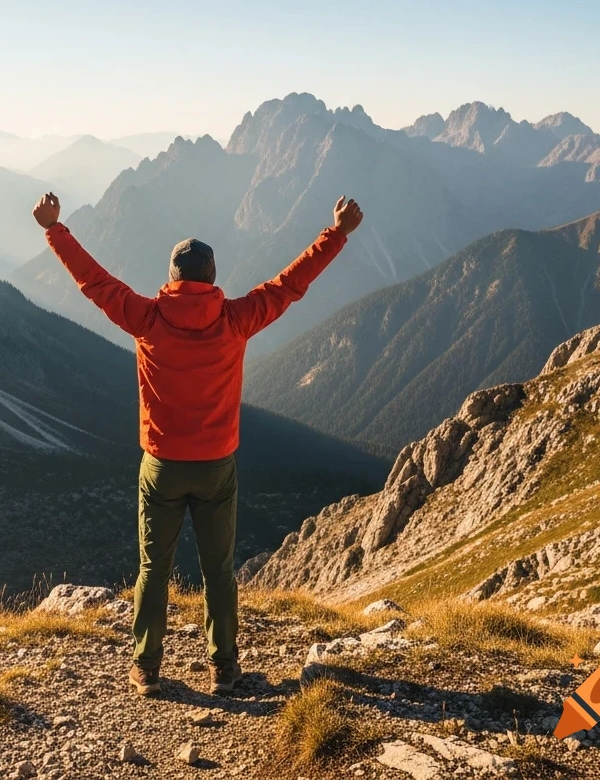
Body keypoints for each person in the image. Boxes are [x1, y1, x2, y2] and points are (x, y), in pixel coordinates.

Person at [32, 192, 363, 696]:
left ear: (171, 278)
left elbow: (94, 283)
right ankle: (224, 667)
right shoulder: (236, 319)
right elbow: (291, 284)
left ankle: (146, 667)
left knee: (153, 569)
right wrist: (335, 233)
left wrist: (55, 229)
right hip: (215, 467)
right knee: (219, 570)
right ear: (211, 278)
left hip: (161, 465)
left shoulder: (145, 319)